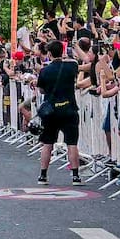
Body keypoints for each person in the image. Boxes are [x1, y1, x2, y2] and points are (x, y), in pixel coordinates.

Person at [36, 40, 84, 186]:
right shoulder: (72, 66)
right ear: (62, 52)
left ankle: (43, 175)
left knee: (48, 143)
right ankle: (75, 175)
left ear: (49, 53)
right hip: (69, 108)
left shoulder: (45, 71)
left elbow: (42, 90)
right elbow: (81, 63)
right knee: (72, 143)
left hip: (51, 111)